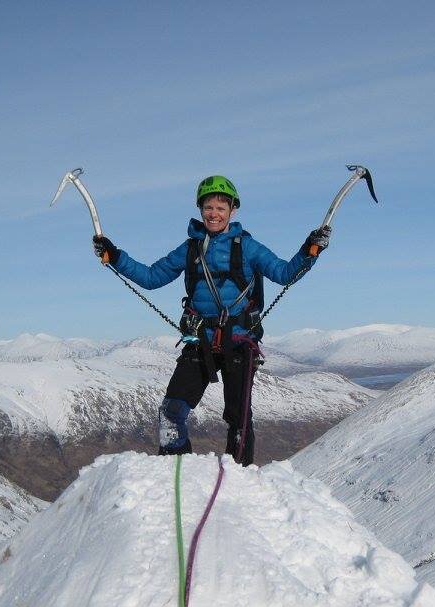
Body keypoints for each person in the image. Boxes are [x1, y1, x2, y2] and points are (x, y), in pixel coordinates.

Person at [91, 175, 330, 466]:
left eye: (220, 207)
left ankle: (239, 477)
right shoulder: (190, 249)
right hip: (199, 341)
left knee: (239, 418)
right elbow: (152, 277)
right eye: (208, 207)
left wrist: (310, 249)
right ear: (200, 209)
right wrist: (114, 256)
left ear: (232, 211)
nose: (213, 213)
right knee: (171, 411)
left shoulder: (249, 247)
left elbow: (284, 273)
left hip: (239, 341)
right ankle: (175, 469)